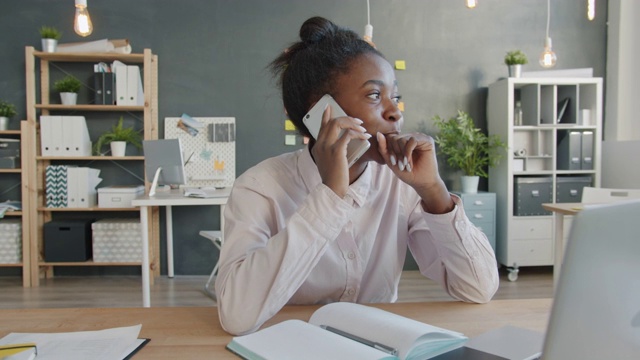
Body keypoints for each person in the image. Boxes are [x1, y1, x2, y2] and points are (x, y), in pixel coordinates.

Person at [215, 16, 499, 335]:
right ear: (323, 112)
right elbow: (236, 316)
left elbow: (478, 288)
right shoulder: (259, 188)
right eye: (375, 96)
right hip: (292, 345)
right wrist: (330, 198)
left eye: (395, 96)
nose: (396, 112)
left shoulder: (401, 183)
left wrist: (434, 191)